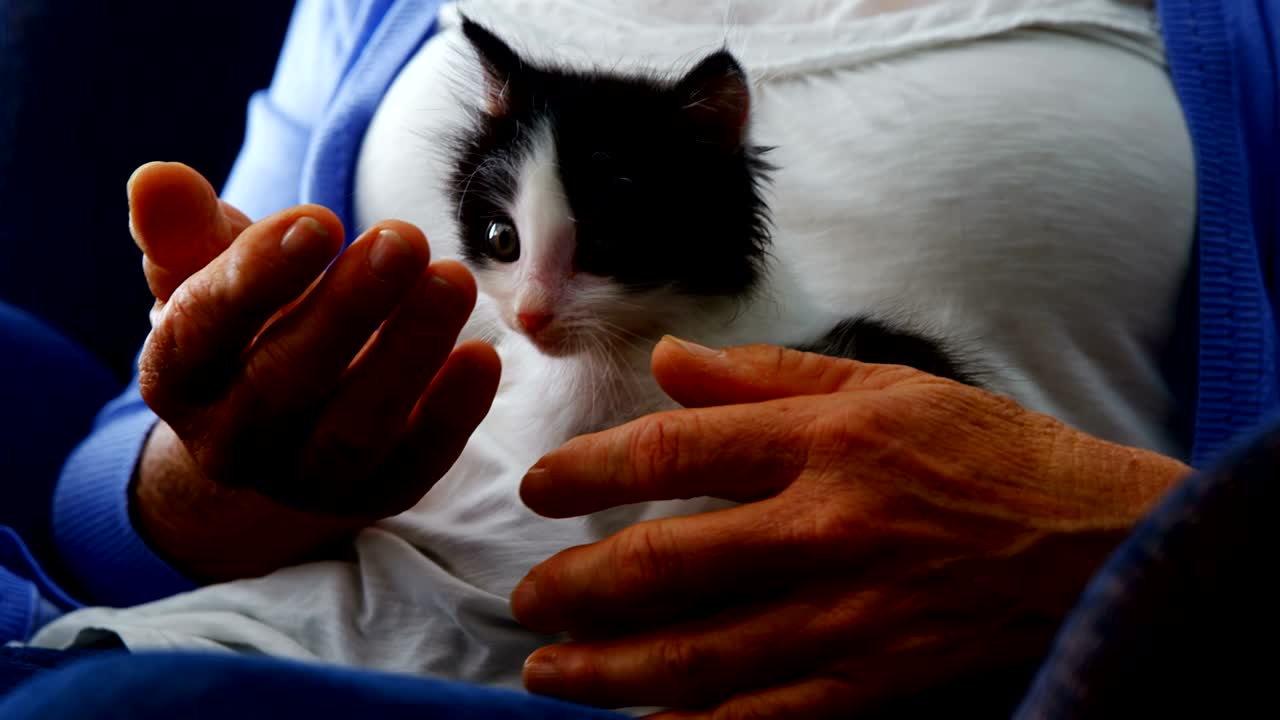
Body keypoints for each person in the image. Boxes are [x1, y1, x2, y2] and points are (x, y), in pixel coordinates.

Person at [0, 0, 1275, 718]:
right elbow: (106, 501)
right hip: (343, 634)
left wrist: (1135, 549)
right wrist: (216, 466)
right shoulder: (377, 17)